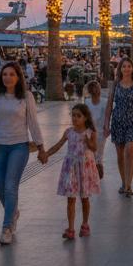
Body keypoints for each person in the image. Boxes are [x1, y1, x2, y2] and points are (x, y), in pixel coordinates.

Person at [0, 62, 47, 245]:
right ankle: (13, 212)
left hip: (19, 147)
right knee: (0, 187)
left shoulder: (26, 96)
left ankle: (7, 226)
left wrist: (41, 147)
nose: (8, 77)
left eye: (12, 74)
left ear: (18, 78)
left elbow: (33, 122)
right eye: (5, 74)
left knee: (10, 186)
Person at [44, 103, 101, 240]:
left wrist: (88, 141)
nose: (75, 118)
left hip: (85, 169)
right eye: (73, 115)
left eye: (78, 116)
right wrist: (46, 154)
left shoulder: (90, 132)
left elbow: (94, 148)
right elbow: (57, 146)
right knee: (70, 199)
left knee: (85, 198)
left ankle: (85, 224)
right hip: (71, 169)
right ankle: (70, 228)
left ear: (85, 118)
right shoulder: (69, 132)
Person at [103, 59, 133, 197]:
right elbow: (110, 104)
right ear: (120, 69)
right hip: (118, 121)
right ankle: (124, 182)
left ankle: (128, 185)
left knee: (130, 151)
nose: (127, 69)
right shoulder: (115, 84)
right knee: (120, 155)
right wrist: (106, 123)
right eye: (124, 67)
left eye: (129, 66)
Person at [82, 80, 106, 177]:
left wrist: (107, 128)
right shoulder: (87, 102)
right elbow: (84, 117)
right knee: (89, 152)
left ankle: (98, 171)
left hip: (100, 132)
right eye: (93, 88)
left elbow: (107, 117)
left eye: (97, 88)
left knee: (99, 154)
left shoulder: (104, 102)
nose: (95, 90)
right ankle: (91, 172)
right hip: (88, 132)